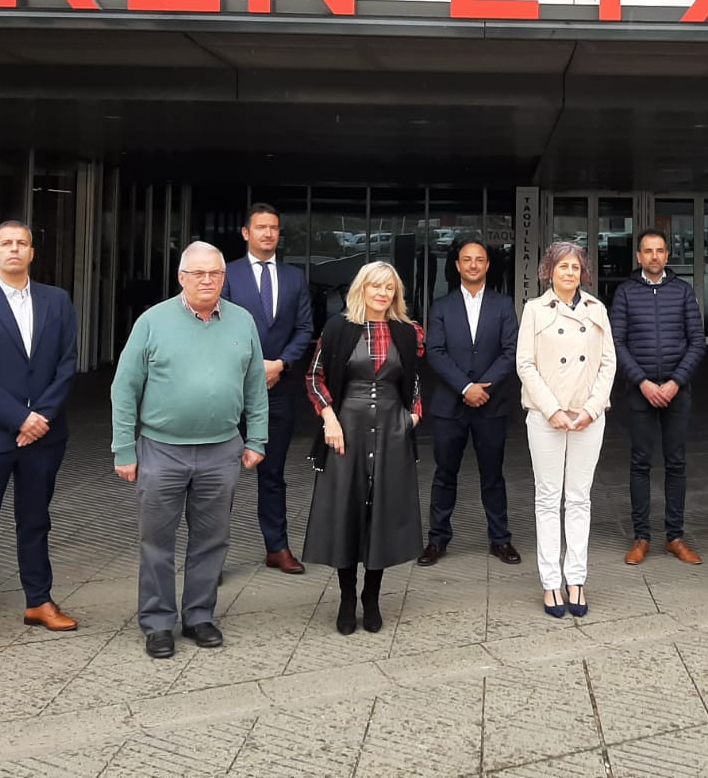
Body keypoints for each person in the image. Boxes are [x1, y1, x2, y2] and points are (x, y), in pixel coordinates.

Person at [111, 242, 268, 658]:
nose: (206, 280)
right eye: (197, 273)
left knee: (212, 540)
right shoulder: (152, 321)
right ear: (181, 277)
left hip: (222, 450)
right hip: (161, 449)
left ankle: (199, 616)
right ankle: (158, 622)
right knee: (156, 542)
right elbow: (124, 388)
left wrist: (257, 439)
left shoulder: (242, 321)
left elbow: (255, 385)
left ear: (223, 277)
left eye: (214, 273)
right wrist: (123, 448)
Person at [0, 221, 80, 651]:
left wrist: (39, 416)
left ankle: (39, 601)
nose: (14, 249)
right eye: (5, 243)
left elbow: (67, 365)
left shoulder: (57, 301)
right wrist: (19, 419)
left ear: (31, 252)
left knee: (35, 521)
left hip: (44, 435)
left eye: (22, 243)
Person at [303, 261, 424, 635]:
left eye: (389, 288)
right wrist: (329, 418)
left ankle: (371, 597)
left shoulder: (407, 331)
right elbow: (314, 376)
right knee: (346, 512)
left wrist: (412, 419)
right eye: (376, 286)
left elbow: (416, 384)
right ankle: (345, 597)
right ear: (362, 288)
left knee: (382, 515)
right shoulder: (339, 327)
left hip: (392, 429)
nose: (382, 293)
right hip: (346, 429)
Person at [517, 241, 616, 618]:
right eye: (563, 267)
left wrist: (591, 408)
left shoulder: (597, 309)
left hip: (588, 417)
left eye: (575, 267)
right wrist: (552, 408)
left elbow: (609, 363)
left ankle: (576, 577)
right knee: (547, 498)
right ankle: (549, 581)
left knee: (579, 498)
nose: (570, 273)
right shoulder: (534, 310)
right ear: (549, 271)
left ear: (583, 272)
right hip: (547, 418)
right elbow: (525, 364)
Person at [222, 202, 315, 575]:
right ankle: (213, 557)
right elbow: (217, 326)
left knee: (273, 473)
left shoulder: (295, 278)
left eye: (273, 228)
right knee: (221, 478)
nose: (267, 233)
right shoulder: (226, 275)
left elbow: (305, 329)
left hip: (279, 387)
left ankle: (277, 547)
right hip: (231, 391)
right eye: (260, 227)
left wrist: (281, 364)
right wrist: (251, 367)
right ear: (246, 233)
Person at [420, 238, 521, 565]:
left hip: (491, 406)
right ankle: (437, 540)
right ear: (457, 265)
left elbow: (511, 351)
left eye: (479, 259)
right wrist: (465, 387)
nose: (473, 265)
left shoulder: (504, 305)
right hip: (451, 404)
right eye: (467, 260)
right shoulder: (442, 306)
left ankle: (500, 539)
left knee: (493, 475)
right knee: (444, 474)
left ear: (488, 265)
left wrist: (484, 388)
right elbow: (434, 351)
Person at [612, 229, 706, 566]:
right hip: (640, 392)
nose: (654, 256)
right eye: (648, 251)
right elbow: (617, 343)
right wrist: (643, 382)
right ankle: (641, 537)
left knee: (676, 462)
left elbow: (697, 341)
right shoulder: (625, 293)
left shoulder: (682, 292)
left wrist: (675, 382)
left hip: (677, 392)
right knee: (640, 463)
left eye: (660, 250)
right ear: (638, 256)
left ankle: (675, 537)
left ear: (668, 255)